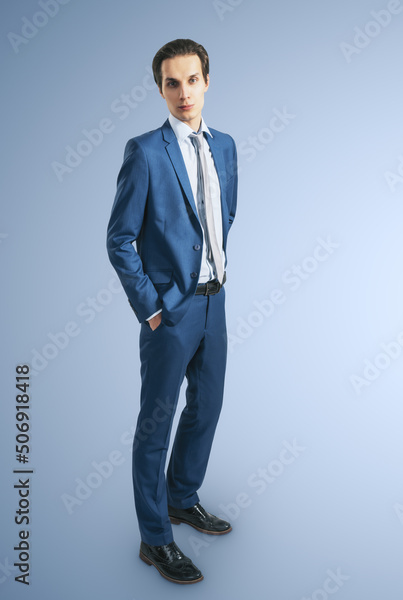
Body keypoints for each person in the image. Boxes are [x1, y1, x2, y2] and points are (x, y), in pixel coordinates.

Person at [107, 38, 237, 585]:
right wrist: (153, 309)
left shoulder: (226, 145)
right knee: (155, 425)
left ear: (207, 81)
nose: (184, 93)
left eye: (192, 80)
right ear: (160, 88)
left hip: (216, 302)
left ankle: (182, 498)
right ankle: (154, 538)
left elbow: (223, 217)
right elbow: (120, 239)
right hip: (170, 313)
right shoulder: (145, 151)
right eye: (171, 83)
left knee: (206, 408)